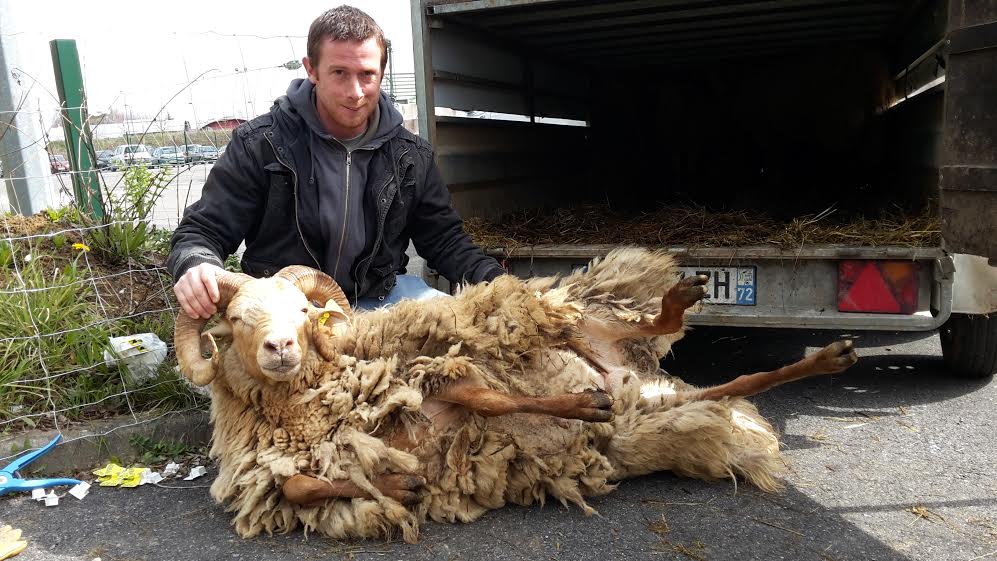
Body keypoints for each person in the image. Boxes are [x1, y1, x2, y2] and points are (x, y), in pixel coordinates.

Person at [167, 5, 504, 320]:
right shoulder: (261, 144)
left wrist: (497, 284)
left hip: (381, 301)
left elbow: (444, 240)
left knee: (464, 345)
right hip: (288, 311)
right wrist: (196, 264)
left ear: (382, 71)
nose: (355, 92)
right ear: (312, 69)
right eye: (339, 73)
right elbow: (202, 231)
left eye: (367, 74)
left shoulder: (411, 156)